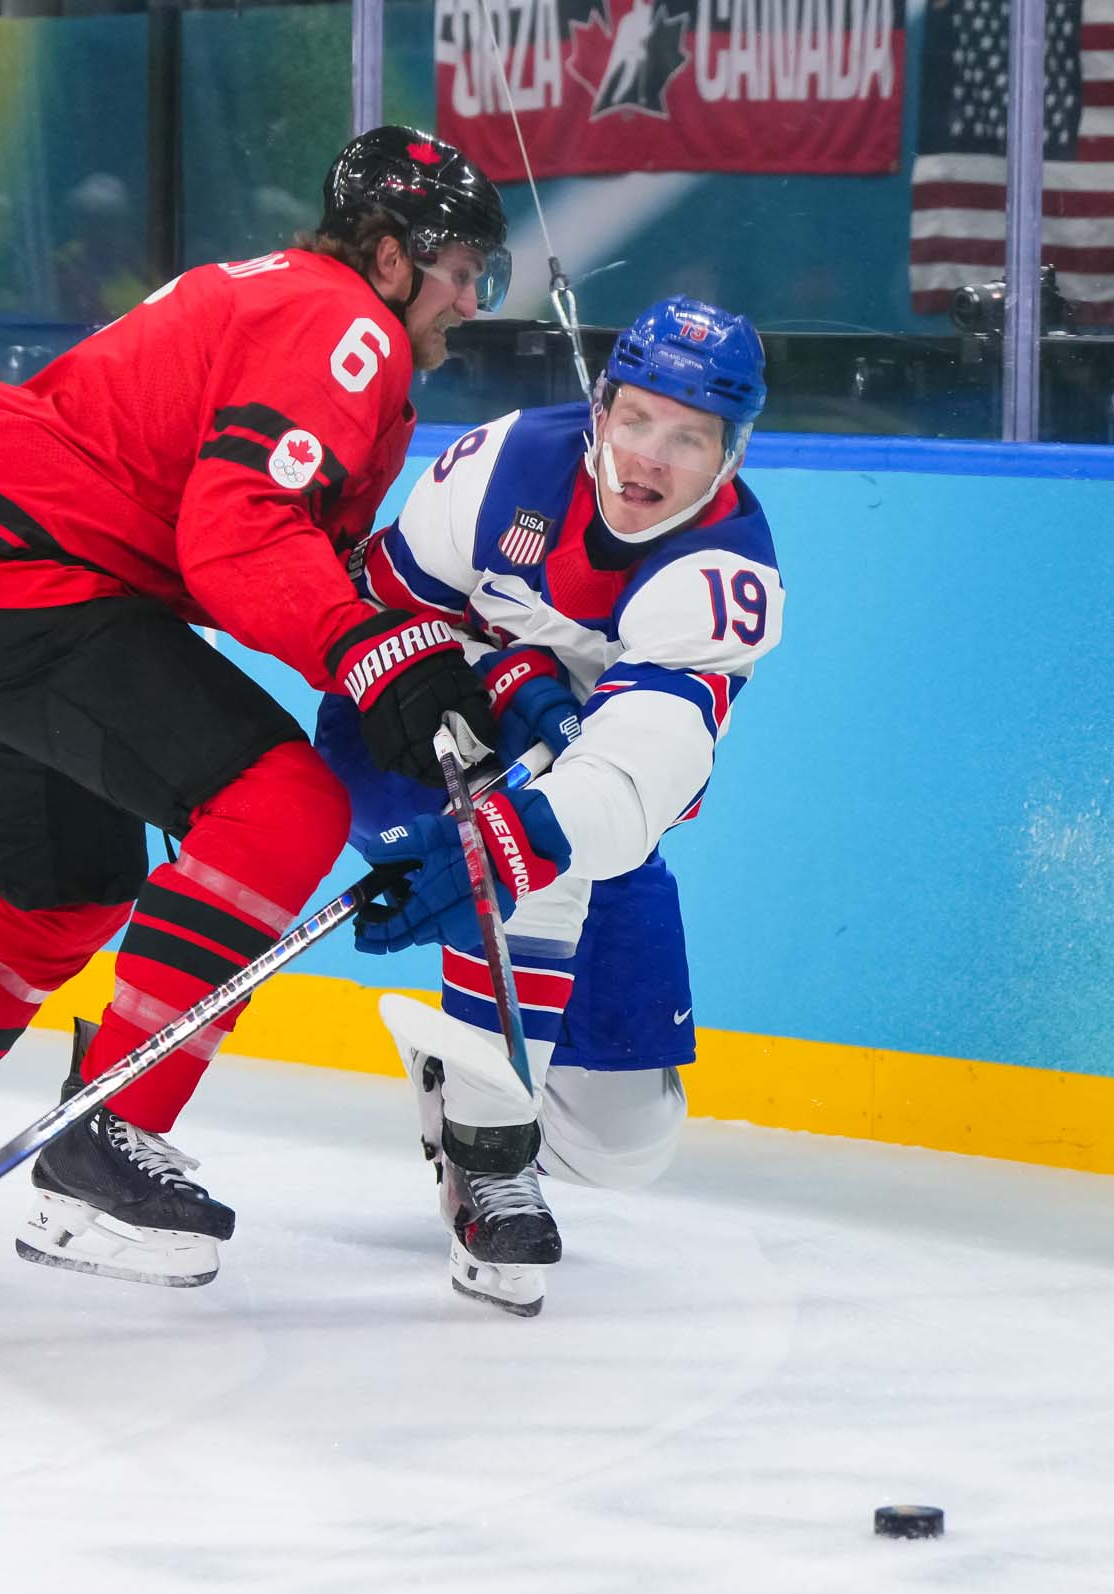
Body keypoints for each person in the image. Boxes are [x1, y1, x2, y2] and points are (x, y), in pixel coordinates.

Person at [0, 126, 510, 1291]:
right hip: (29, 581)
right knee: (280, 807)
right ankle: (104, 1138)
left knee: (62, 893)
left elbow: (276, 533)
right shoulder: (345, 326)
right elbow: (238, 531)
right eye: (462, 270)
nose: (471, 300)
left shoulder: (285, 300)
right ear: (387, 254)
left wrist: (412, 645)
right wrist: (376, 656)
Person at [315, 296, 783, 1315]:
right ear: (600, 407)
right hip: (401, 751)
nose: (649, 458)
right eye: (636, 419)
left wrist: (531, 801)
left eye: (689, 438)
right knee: (528, 843)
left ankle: (461, 1075)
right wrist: (503, 675)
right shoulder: (502, 466)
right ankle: (488, 1158)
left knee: (625, 1142)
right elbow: (367, 612)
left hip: (578, 818)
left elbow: (638, 768)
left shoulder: (723, 573)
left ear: (731, 456)